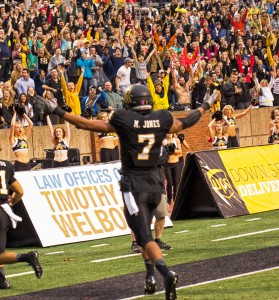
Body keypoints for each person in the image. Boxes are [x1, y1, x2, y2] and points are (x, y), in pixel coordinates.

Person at [38, 84, 218, 299]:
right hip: (156, 183)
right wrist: (206, 105)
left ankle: (165, 272)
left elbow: (86, 123)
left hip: (134, 185)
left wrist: (57, 110)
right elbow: (186, 121)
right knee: (148, 236)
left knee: (143, 237)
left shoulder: (123, 118)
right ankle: (150, 276)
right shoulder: (161, 117)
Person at [0, 159, 43, 289]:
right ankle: (1, 281)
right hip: (4, 213)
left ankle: (27, 257)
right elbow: (20, 192)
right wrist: (11, 202)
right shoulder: (6, 165)